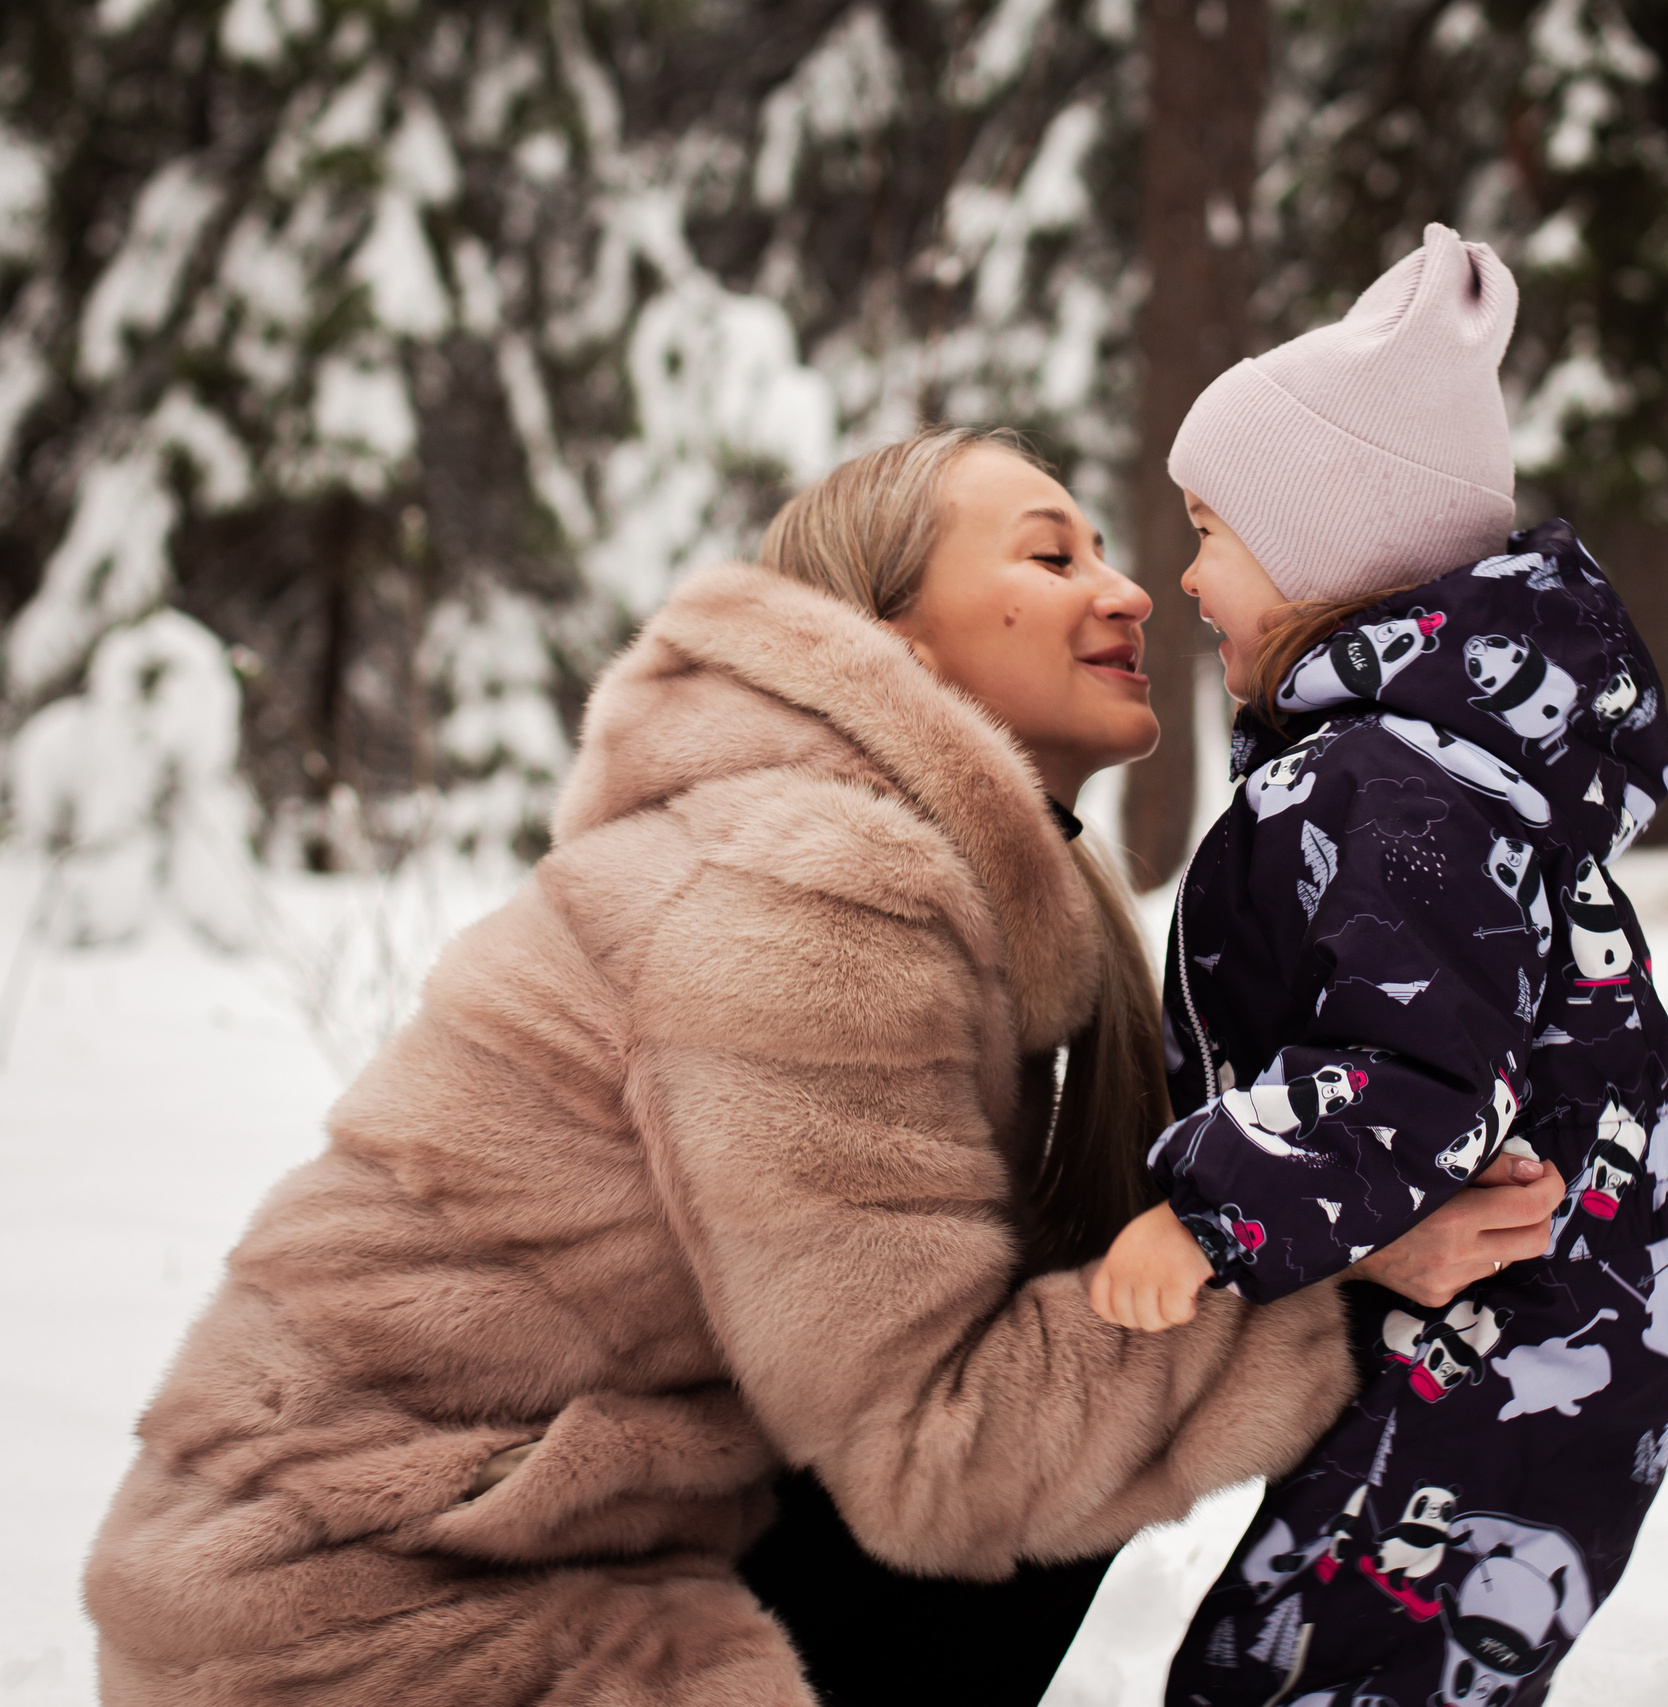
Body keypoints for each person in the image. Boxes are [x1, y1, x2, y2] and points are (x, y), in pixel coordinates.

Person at [84, 424, 1563, 1707]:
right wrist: (1325, 1270)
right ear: (891, 644)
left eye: (1110, 552)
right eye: (1050, 558)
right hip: (359, 1626)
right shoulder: (816, 883)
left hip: (471, 1552)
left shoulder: (952, 885)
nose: (1128, 592)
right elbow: (943, 1449)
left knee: (1099, 1331)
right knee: (1067, 1397)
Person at [1086, 226, 1668, 1707]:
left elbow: (1413, 1077)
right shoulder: (1407, 772)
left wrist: (1209, 1212)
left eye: (1213, 531)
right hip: (1495, 1364)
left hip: (1487, 1375)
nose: (1184, 572)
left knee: (1295, 1678)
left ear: (1321, 550)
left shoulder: (1403, 795)